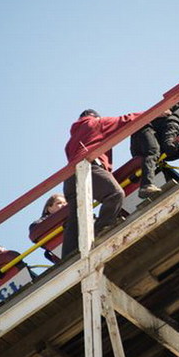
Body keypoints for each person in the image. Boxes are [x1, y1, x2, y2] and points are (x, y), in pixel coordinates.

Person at [62, 108, 144, 258]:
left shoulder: (70, 143)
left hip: (69, 179)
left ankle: (67, 257)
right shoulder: (95, 123)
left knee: (76, 218)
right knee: (115, 194)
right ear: (92, 116)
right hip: (89, 168)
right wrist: (153, 113)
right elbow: (124, 120)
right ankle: (100, 232)